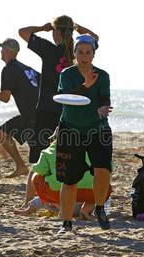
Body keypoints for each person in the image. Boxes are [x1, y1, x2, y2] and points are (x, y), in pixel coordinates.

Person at [18, 15, 99, 207]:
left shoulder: (48, 49)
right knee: (69, 155)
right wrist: (78, 28)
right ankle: (66, 199)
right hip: (71, 109)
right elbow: (95, 37)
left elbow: (23, 32)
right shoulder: (79, 51)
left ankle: (31, 202)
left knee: (40, 156)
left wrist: (42, 27)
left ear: (56, 32)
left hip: (47, 108)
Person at [56, 34, 113, 234]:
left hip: (98, 129)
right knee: (70, 179)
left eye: (88, 52)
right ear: (74, 53)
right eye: (80, 52)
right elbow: (65, 98)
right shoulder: (66, 74)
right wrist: (86, 86)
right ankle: (67, 223)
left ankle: (99, 208)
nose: (84, 56)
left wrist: (104, 108)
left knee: (103, 170)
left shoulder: (103, 75)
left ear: (93, 54)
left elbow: (105, 99)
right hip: (70, 129)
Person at [13, 131, 112, 218]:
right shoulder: (94, 148)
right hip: (90, 197)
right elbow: (109, 169)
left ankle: (54, 207)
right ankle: (87, 209)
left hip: (60, 199)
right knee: (104, 184)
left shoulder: (49, 150)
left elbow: (39, 170)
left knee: (36, 175)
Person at [0, 38, 39, 178]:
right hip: (39, 113)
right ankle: (22, 167)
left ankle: (22, 167)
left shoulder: (9, 69)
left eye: (2, 48)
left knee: (2, 133)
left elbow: (5, 98)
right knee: (38, 149)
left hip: (30, 116)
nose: (1, 51)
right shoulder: (28, 68)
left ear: (8, 51)